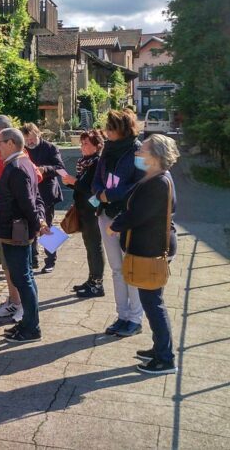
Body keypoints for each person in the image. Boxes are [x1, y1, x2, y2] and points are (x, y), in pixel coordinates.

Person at [110, 134, 179, 374]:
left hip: (152, 248)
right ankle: (160, 348)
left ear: (156, 156)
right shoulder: (156, 178)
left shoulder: (158, 182)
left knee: (153, 303)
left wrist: (115, 225)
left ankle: (165, 359)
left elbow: (138, 214)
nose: (139, 153)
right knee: (152, 301)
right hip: (149, 246)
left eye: (144, 150)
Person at [0, 128, 47, 343]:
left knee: (23, 278)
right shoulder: (23, 163)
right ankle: (28, 323)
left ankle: (31, 327)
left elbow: (28, 202)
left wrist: (39, 223)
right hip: (15, 229)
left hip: (16, 231)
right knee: (24, 277)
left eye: (1, 143)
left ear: (12, 143)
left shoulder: (17, 167)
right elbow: (35, 198)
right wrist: (40, 220)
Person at [94, 109, 144, 337]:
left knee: (130, 267)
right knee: (116, 269)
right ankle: (122, 315)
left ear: (123, 129)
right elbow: (97, 177)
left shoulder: (137, 150)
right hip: (105, 214)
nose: (107, 131)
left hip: (126, 215)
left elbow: (140, 184)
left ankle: (135, 318)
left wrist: (111, 195)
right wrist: (99, 194)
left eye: (111, 128)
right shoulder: (107, 149)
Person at [62, 130, 107, 298]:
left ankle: (97, 284)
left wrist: (75, 182)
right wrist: (71, 183)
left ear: (97, 146)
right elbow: (82, 187)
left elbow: (91, 188)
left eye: (86, 143)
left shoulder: (96, 163)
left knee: (95, 247)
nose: (82, 147)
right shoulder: (86, 162)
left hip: (92, 211)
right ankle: (91, 279)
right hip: (84, 210)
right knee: (90, 246)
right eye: (81, 143)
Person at [22, 123, 66, 274]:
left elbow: (61, 169)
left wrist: (45, 169)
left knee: (47, 226)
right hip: (29, 193)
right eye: (27, 139)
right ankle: (32, 259)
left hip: (47, 193)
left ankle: (50, 260)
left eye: (32, 138)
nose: (30, 142)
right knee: (30, 226)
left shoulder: (50, 148)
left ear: (38, 134)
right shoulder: (23, 150)